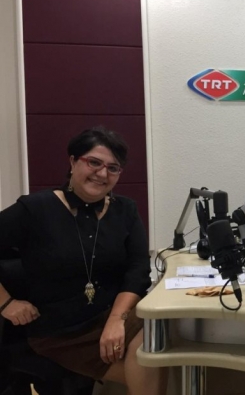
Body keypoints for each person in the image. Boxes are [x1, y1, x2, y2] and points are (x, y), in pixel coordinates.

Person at [0, 127, 167, 393]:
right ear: (73, 161)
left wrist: (116, 320)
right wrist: (6, 303)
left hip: (117, 315)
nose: (102, 174)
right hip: (63, 333)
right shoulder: (35, 208)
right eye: (94, 162)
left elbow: (137, 270)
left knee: (160, 339)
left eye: (113, 168)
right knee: (159, 368)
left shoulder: (126, 209)